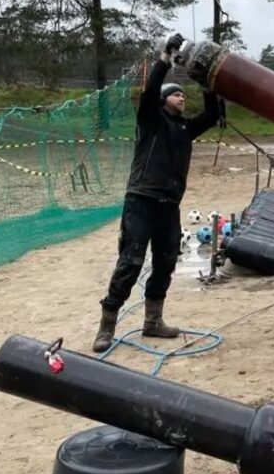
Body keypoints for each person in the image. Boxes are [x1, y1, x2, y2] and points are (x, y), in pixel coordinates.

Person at [92, 33, 223, 352]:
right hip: (141, 200)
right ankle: (107, 325)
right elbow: (150, 92)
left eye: (183, 95)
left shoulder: (184, 129)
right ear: (164, 100)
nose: (182, 98)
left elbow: (211, 116)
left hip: (169, 205)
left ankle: (152, 321)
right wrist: (165, 59)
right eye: (176, 94)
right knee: (131, 261)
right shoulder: (150, 119)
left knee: (166, 261)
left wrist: (207, 82)